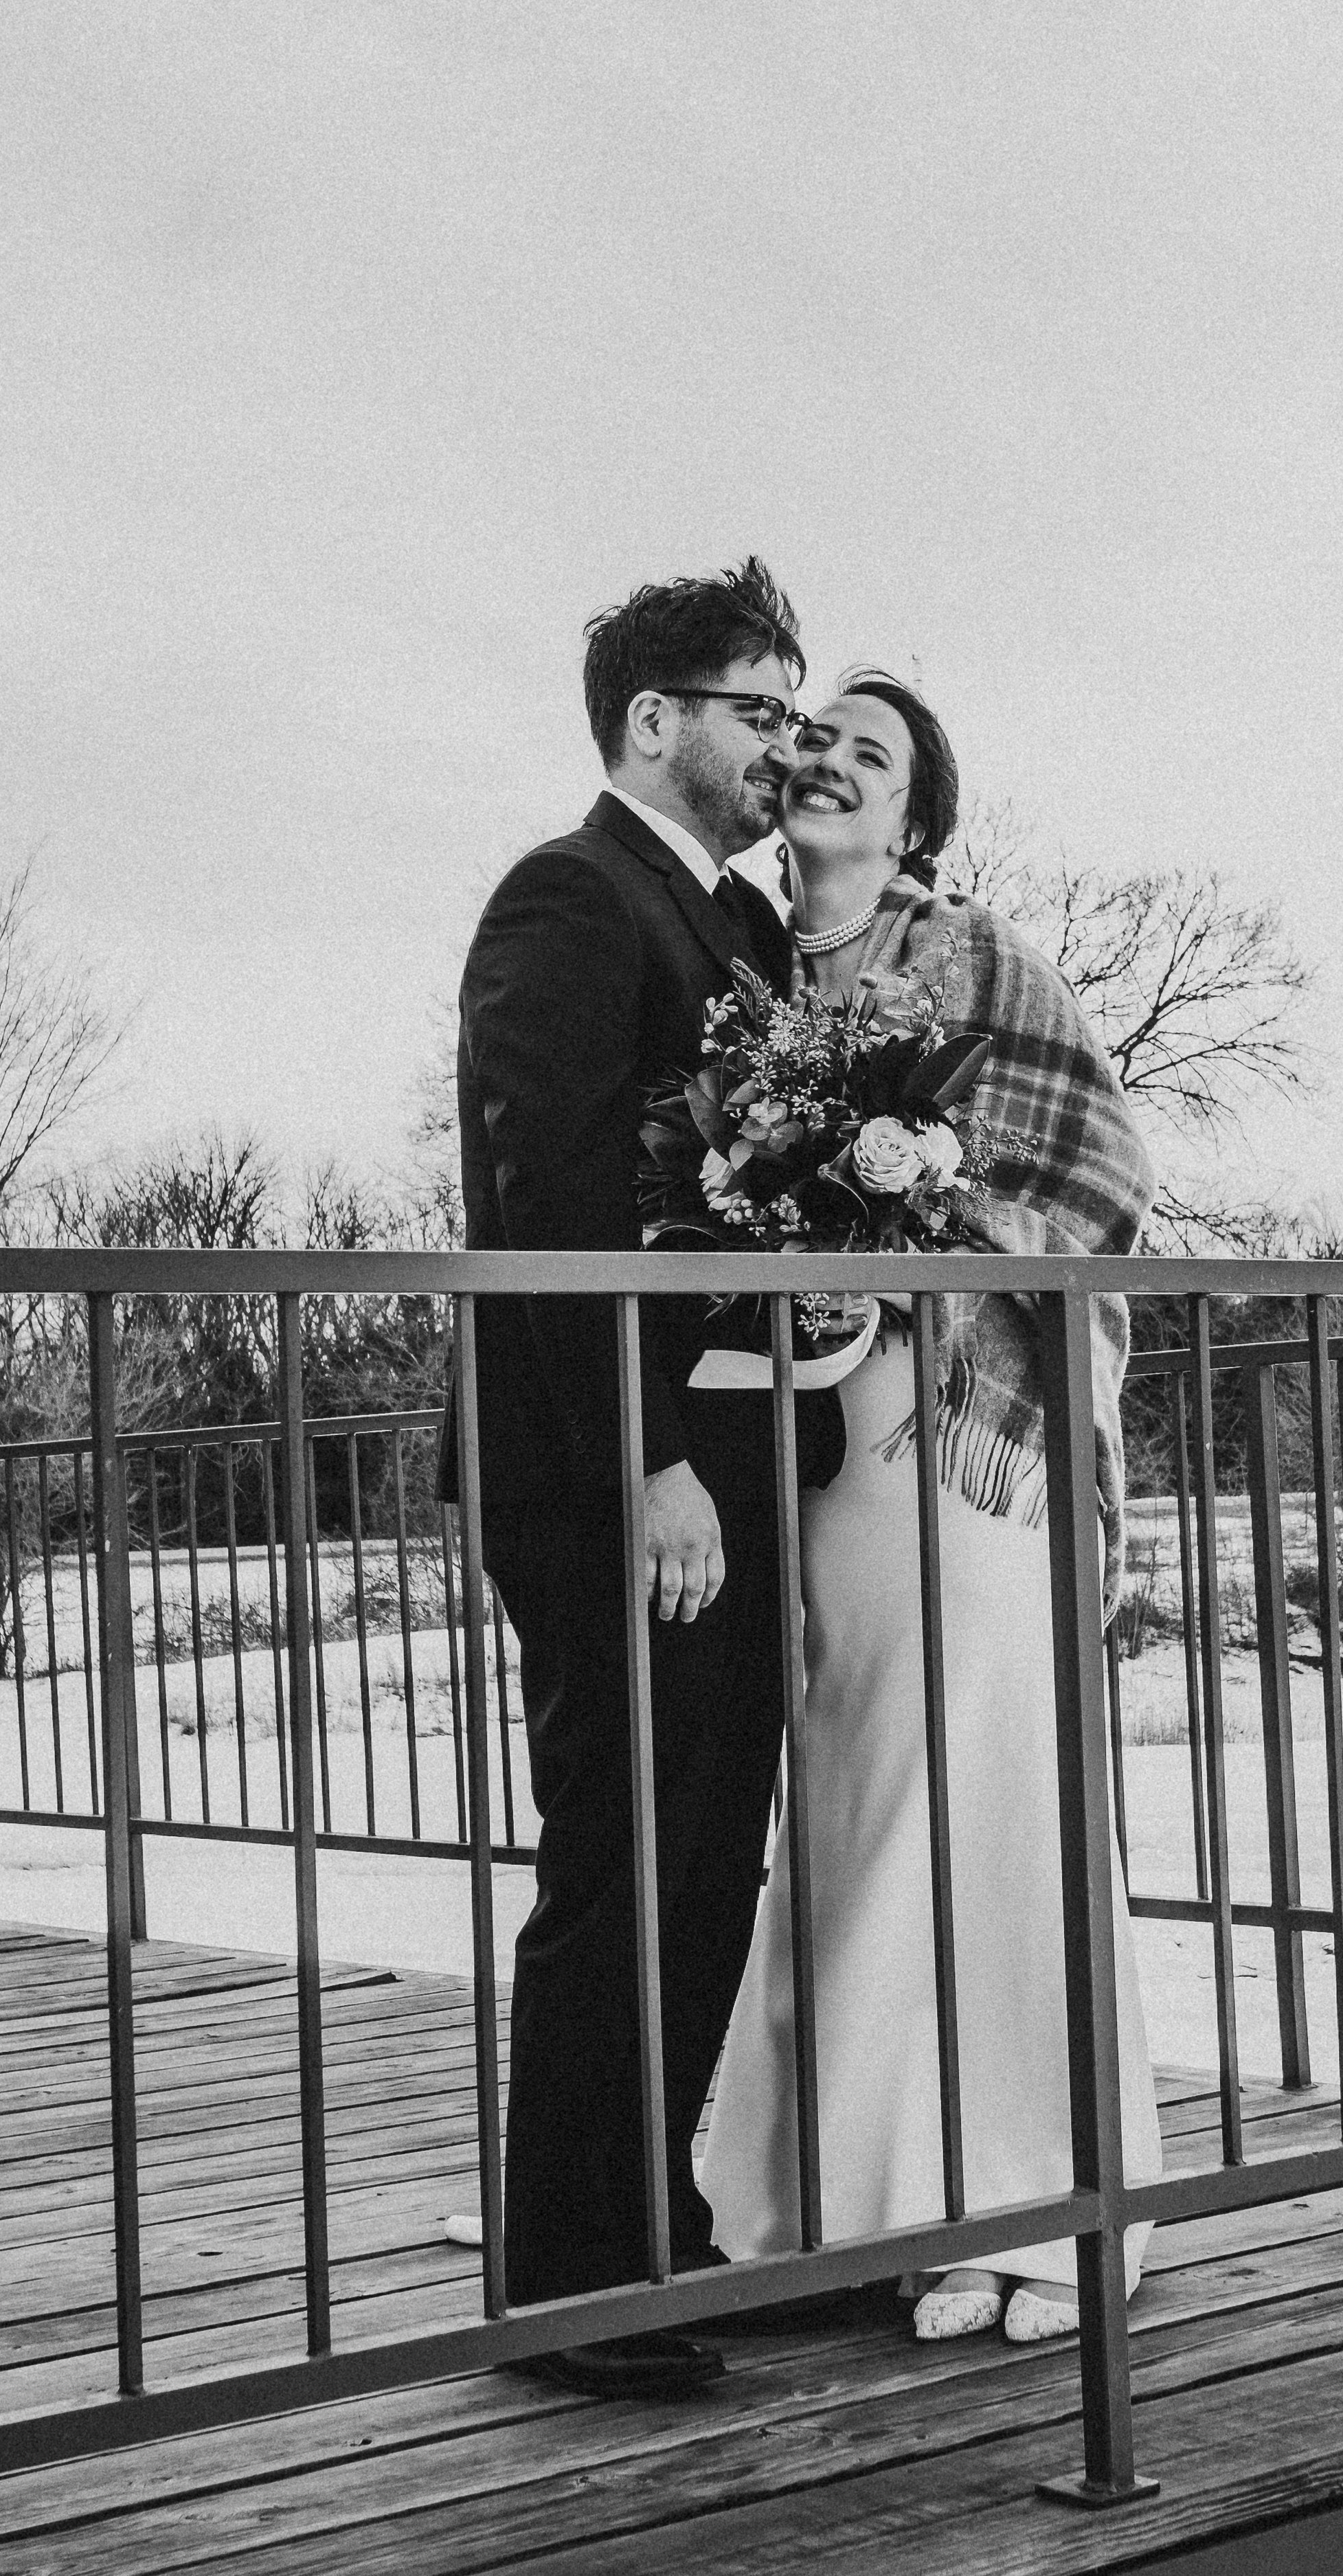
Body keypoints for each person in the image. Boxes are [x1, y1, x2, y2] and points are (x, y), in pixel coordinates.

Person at [699, 671, 1165, 2342]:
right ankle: (866, 2208)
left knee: (980, 1792)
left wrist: (931, 1190)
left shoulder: (968, 957)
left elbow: (1100, 1174)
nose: (824, 758)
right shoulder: (743, 974)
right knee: (848, 1798)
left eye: (868, 751)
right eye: (810, 733)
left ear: (915, 815)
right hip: (817, 1440)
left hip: (965, 1429)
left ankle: (1037, 2209)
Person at [436, 561, 844, 2400]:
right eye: (759, 706)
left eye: (796, 709)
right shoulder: (570, 896)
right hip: (624, 1468)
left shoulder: (737, 933)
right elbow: (555, 1202)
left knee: (706, 1853)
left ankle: (658, 2231)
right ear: (652, 719)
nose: (790, 741)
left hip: (736, 1459)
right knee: (620, 1856)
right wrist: (648, 1459)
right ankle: (576, 2273)